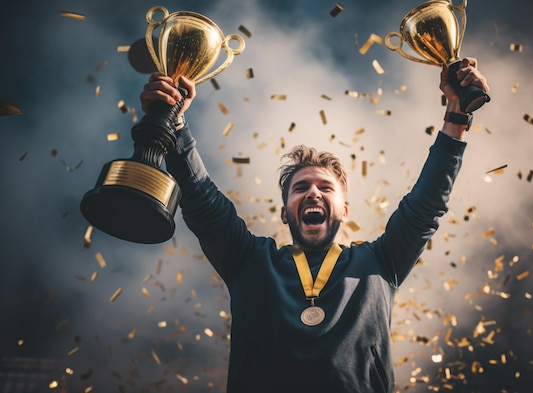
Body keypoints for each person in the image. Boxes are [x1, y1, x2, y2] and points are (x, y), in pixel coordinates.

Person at [140, 57, 489, 393]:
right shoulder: (248, 260)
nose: (313, 194)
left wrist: (456, 116)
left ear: (345, 211)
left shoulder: (382, 262)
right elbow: (204, 203)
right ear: (284, 212)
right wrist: (175, 122)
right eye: (301, 188)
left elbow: (425, 207)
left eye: (325, 188)